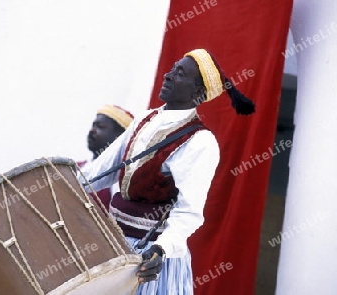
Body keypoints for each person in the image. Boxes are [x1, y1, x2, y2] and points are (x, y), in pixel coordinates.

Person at [80, 48, 255, 294]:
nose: (168, 75)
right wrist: (58, 185)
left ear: (197, 92)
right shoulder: (145, 119)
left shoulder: (200, 143)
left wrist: (161, 249)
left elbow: (189, 212)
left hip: (150, 257)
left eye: (180, 74)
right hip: (114, 246)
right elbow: (99, 172)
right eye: (173, 68)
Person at [77, 105, 134, 211]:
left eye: (101, 126)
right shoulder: (74, 167)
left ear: (120, 137)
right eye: (93, 125)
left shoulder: (120, 179)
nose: (92, 130)